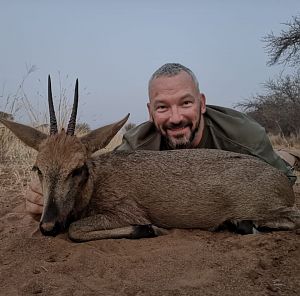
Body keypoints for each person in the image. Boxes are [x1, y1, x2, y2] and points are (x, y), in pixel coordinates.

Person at [25, 63, 296, 219]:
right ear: (150, 111)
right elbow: (98, 174)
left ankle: (290, 154)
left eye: (185, 103)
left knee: (284, 168)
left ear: (202, 103)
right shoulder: (137, 143)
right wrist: (46, 193)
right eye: (163, 107)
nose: (176, 117)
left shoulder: (245, 136)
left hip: (245, 166)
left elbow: (280, 184)